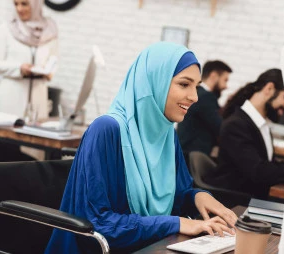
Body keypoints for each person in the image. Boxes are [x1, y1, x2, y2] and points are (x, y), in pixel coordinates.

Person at [45, 42, 238, 253]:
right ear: (154, 83)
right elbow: (97, 225)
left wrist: (198, 196)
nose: (194, 96)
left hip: (153, 247)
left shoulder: (167, 135)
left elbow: (178, 196)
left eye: (196, 86)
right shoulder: (106, 130)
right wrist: (176, 223)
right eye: (184, 84)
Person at [206, 69, 284, 199]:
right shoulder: (236, 125)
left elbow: (268, 163)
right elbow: (259, 172)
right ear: (269, 89)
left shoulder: (261, 124)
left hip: (254, 196)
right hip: (238, 202)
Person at [0, 0, 58, 119]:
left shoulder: (49, 31)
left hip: (38, 100)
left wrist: (50, 71)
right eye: (16, 4)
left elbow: (54, 59)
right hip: (9, 101)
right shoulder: (7, 28)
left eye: (24, 4)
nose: (19, 9)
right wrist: (19, 68)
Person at [177, 60, 232, 157]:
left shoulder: (197, 94)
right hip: (191, 159)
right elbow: (221, 128)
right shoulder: (205, 97)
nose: (226, 86)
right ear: (214, 76)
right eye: (225, 80)